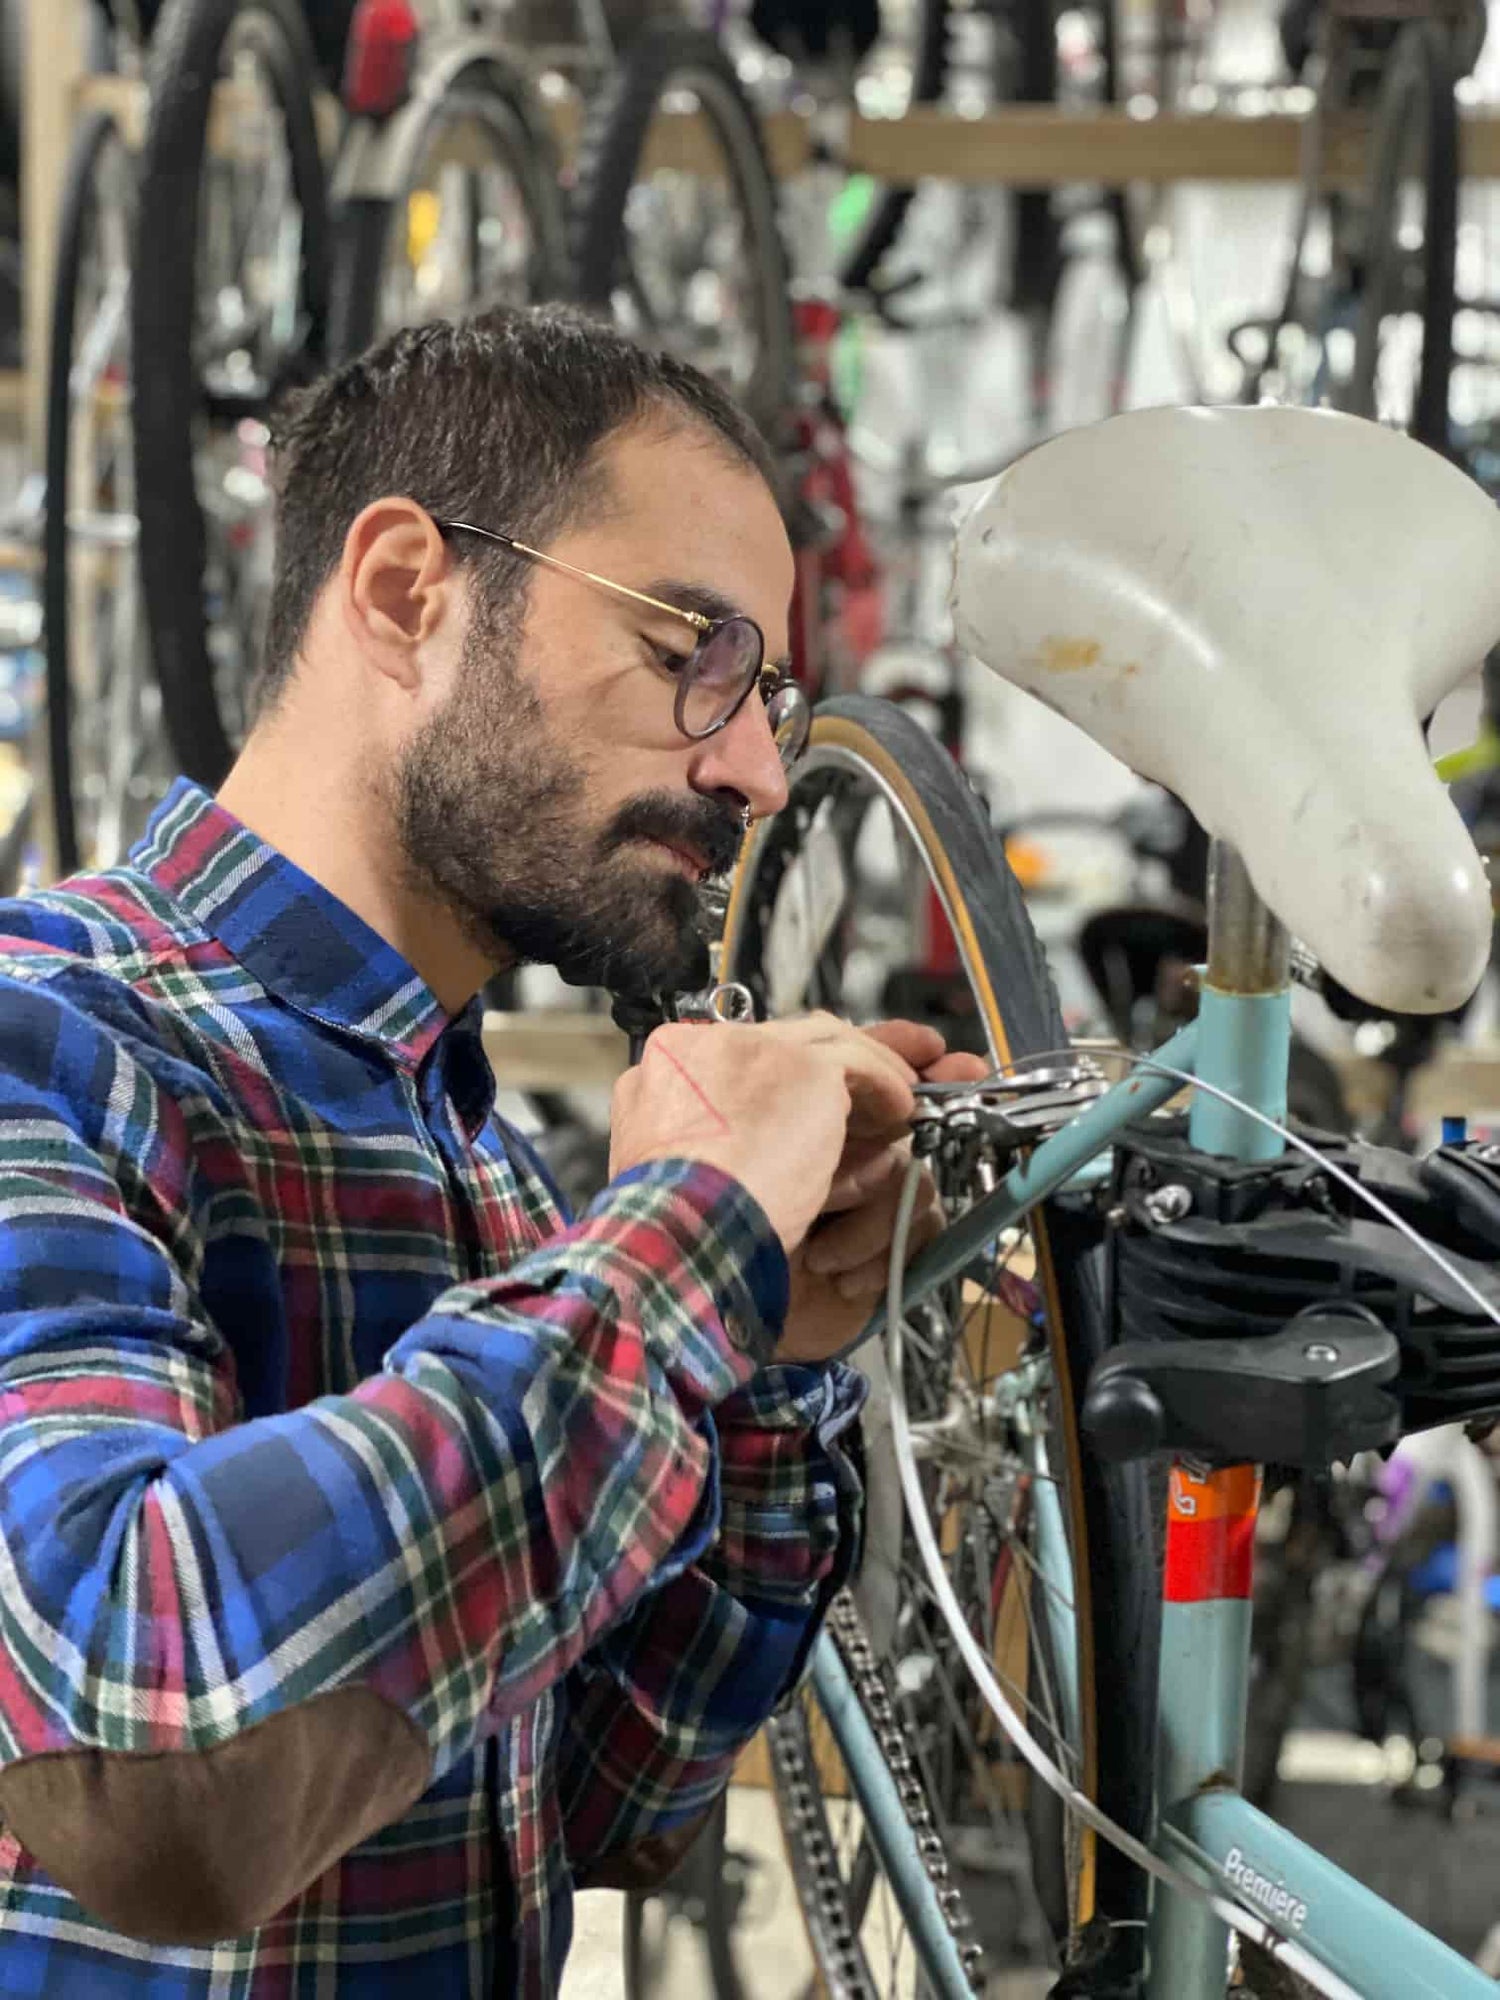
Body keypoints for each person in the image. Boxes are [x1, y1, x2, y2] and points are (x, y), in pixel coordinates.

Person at [0, 304, 981, 1995]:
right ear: (406, 591)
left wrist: (759, 1355)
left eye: (766, 695)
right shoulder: (50, 1042)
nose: (755, 769)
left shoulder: (499, 1177)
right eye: (693, 650)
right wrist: (679, 1245)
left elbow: (603, 1808)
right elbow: (138, 1744)